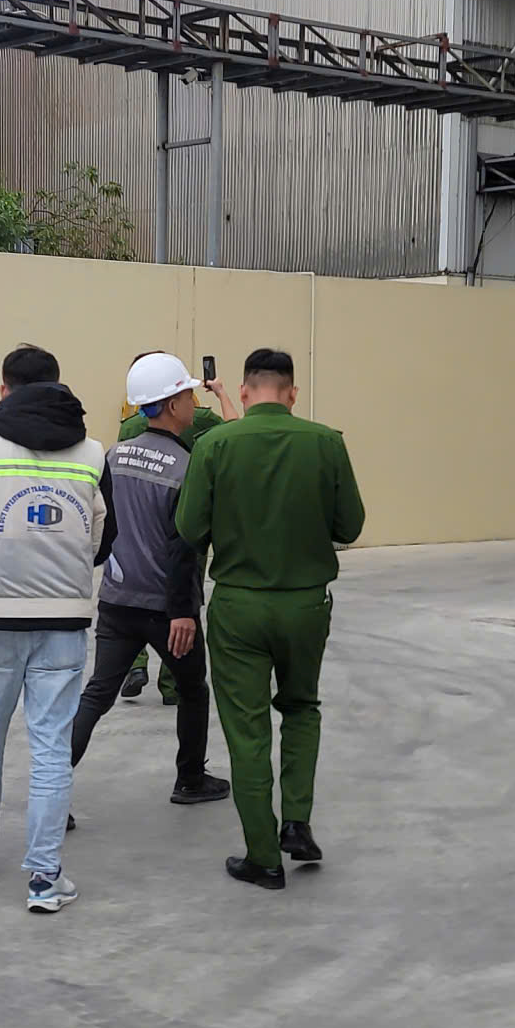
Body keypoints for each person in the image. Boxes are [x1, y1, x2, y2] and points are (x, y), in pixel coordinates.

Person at [0, 343, 112, 913]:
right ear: (58, 386)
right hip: (64, 623)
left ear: (4, 389)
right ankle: (45, 877)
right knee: (52, 748)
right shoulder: (92, 453)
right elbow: (103, 536)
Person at [174, 347, 366, 891]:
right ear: (292, 393)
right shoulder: (326, 443)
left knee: (248, 728)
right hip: (306, 604)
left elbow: (189, 529)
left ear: (244, 389)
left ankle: (263, 856)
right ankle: (297, 822)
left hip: (239, 605)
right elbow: (349, 526)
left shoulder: (214, 445)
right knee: (302, 708)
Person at [71, 352, 230, 807]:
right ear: (172, 404)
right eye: (187, 396)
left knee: (98, 692)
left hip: (117, 600)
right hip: (166, 608)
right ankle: (190, 780)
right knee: (193, 689)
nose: (192, 403)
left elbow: (99, 528)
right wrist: (184, 611)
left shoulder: (113, 455)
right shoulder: (186, 465)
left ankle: (51, 788)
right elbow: (184, 547)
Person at [113, 354, 236, 702]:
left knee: (136, 594)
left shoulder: (129, 426)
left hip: (138, 524)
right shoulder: (200, 418)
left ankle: (136, 662)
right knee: (180, 595)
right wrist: (220, 392)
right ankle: (173, 683)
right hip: (186, 521)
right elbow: (234, 431)